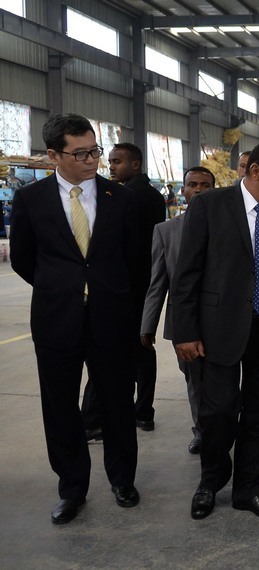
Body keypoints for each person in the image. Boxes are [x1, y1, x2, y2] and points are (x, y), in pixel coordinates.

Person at [171, 142, 259, 521]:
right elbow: (187, 273)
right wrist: (183, 331)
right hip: (219, 327)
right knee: (218, 411)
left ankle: (248, 488)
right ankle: (211, 480)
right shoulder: (210, 206)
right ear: (254, 172)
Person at [10, 113, 141, 524]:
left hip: (112, 319)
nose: (91, 161)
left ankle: (122, 479)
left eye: (94, 151)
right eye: (80, 154)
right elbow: (23, 259)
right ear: (54, 156)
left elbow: (136, 260)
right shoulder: (31, 200)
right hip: (56, 320)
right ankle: (71, 488)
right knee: (60, 407)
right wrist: (62, 287)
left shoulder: (121, 198)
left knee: (117, 402)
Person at [81, 142, 166, 439]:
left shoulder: (125, 196)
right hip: (144, 285)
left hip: (125, 287)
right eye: (111, 161)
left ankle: (94, 419)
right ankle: (143, 412)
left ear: (135, 164)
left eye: (117, 161)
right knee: (142, 348)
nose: (111, 166)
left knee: (109, 353)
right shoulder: (152, 195)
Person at [140, 167, 215, 455]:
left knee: (222, 379)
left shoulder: (228, 228)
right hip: (183, 321)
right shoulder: (165, 231)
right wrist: (148, 324)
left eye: (205, 185)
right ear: (183, 191)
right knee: (193, 380)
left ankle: (222, 427)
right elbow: (157, 282)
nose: (198, 190)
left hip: (220, 319)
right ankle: (202, 431)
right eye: (193, 185)